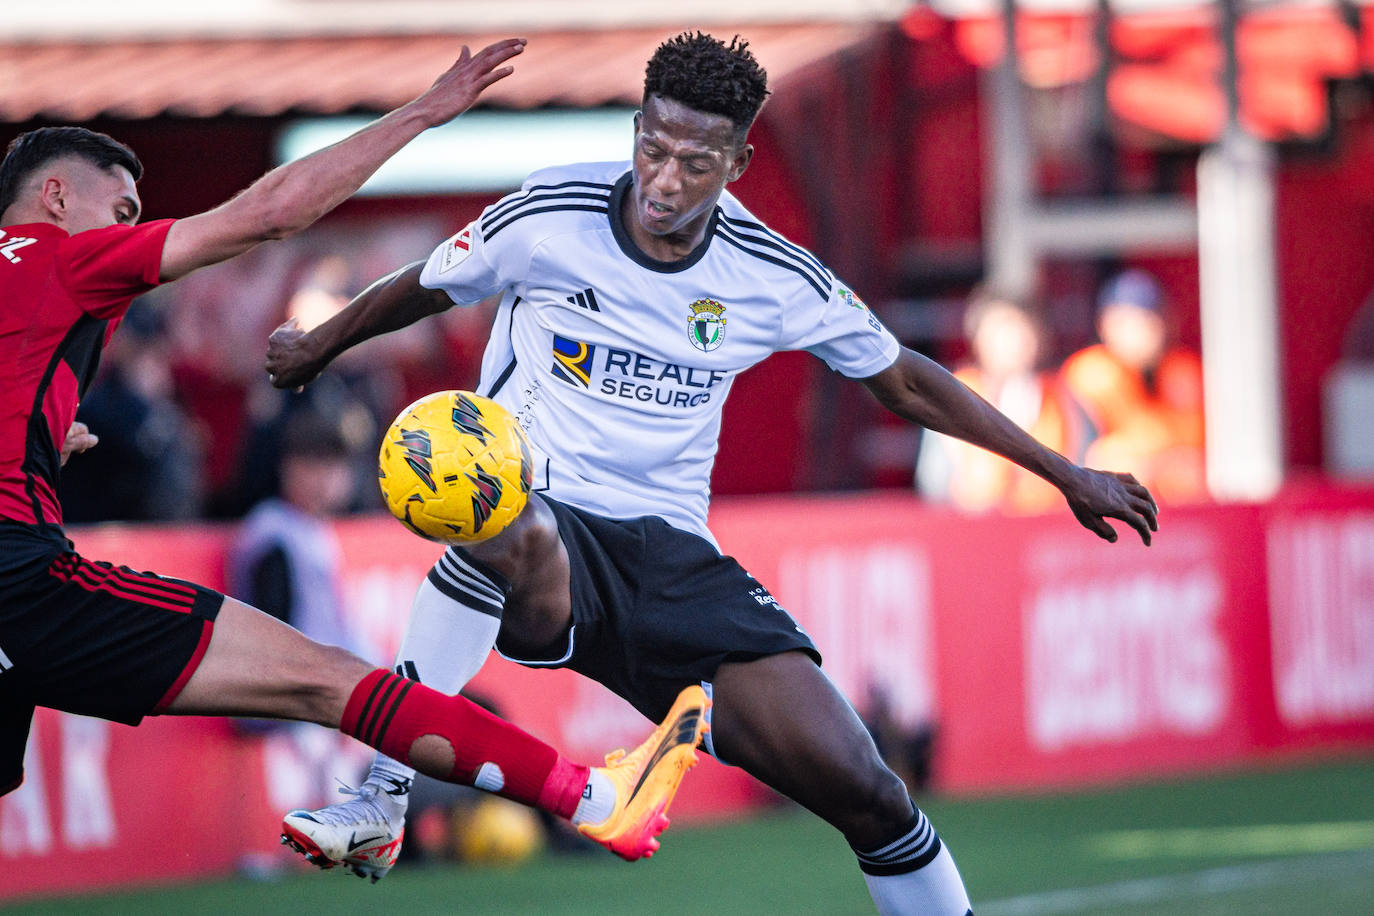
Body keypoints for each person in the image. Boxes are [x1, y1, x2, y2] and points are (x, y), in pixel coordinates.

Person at [267, 32, 1158, 913]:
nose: (664, 179)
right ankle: (380, 796)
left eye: (696, 163)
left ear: (738, 163)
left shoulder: (770, 273)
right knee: (488, 492)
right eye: (652, 148)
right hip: (549, 522)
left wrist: (1061, 470)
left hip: (673, 561)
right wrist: (319, 344)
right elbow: (426, 284)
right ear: (636, 130)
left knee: (871, 793)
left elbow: (903, 378)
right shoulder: (548, 214)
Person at [0, 37, 710, 885]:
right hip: (19, 580)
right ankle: (591, 798)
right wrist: (420, 113)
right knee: (328, 680)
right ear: (52, 198)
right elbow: (266, 215)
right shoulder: (57, 257)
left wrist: (44, 438)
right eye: (122, 210)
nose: (133, 228)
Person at [917, 288, 1088, 514]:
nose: (1015, 340)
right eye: (1003, 329)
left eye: (1024, 328)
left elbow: (1088, 471)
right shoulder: (949, 400)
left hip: (1049, 530)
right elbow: (934, 484)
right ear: (978, 338)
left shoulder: (1065, 397)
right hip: (976, 530)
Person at [1060, 269, 1206, 504]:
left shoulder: (1183, 370)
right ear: (1105, 324)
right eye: (1127, 322)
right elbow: (1087, 461)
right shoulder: (1092, 371)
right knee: (1114, 457)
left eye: (1148, 319)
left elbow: (1196, 442)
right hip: (1109, 513)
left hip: (1182, 511)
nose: (1141, 331)